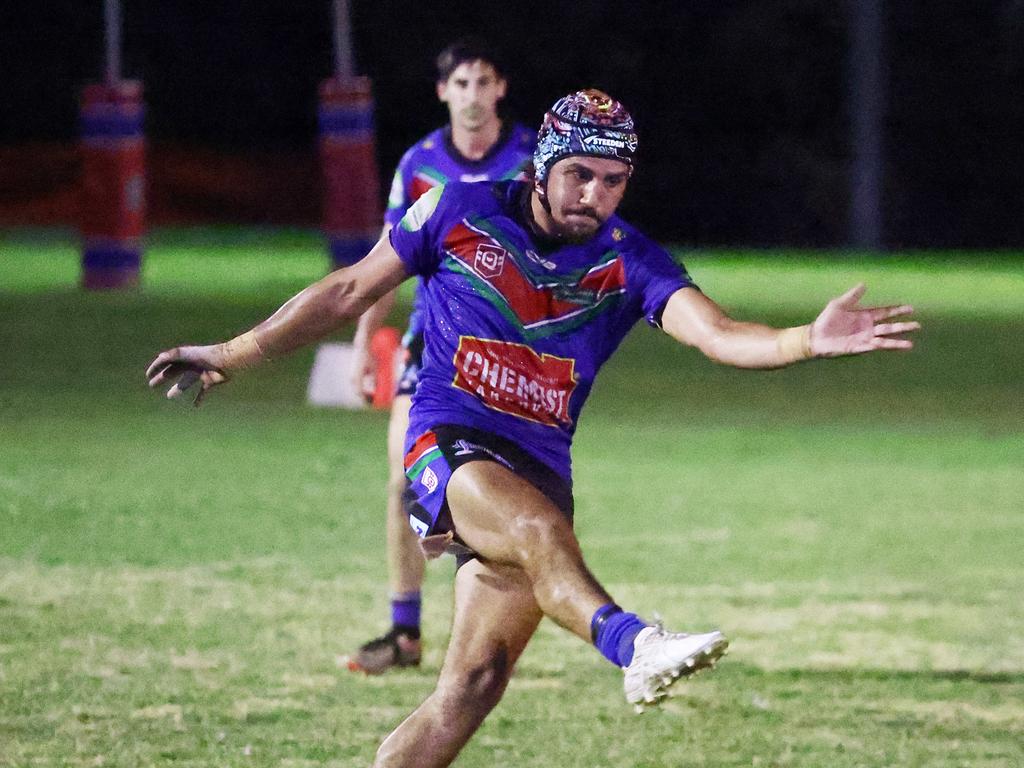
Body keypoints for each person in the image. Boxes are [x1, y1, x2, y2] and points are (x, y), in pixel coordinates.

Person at [146, 89, 919, 767]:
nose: (595, 194)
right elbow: (349, 289)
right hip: (447, 443)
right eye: (580, 173)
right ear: (544, 163)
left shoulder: (628, 260)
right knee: (539, 532)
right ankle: (635, 646)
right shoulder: (457, 206)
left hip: (539, 465)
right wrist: (231, 354)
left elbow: (715, 333)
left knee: (472, 689)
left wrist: (804, 341)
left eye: (614, 181)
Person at [346, 37, 535, 675]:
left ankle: (483, 636)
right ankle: (404, 633)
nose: (474, 96)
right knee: (405, 479)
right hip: (432, 345)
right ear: (443, 92)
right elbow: (384, 263)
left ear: (501, 88)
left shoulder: (533, 161)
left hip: (510, 355)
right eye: (462, 84)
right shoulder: (420, 164)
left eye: (485, 82)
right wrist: (362, 343)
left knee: (500, 498)